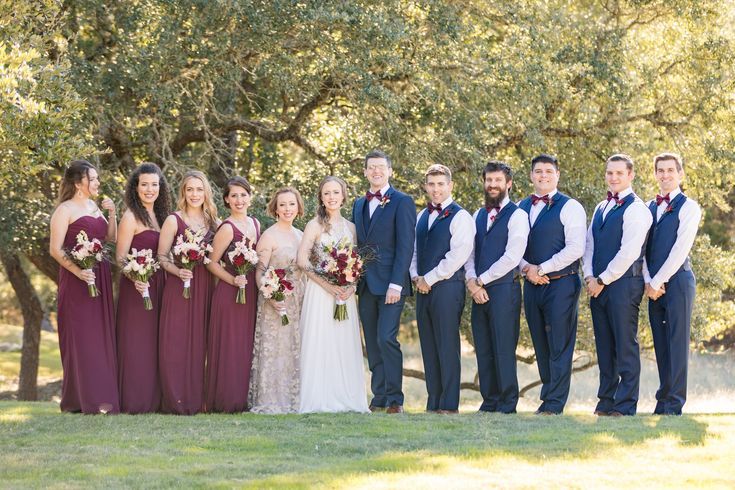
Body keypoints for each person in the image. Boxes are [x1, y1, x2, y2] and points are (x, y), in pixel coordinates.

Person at [583, 154, 653, 416]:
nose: (613, 177)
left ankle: (625, 404)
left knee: (625, 345)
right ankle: (606, 400)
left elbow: (629, 251)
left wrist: (602, 279)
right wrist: (589, 276)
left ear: (630, 175)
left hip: (623, 284)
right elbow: (589, 245)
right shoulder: (601, 207)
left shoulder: (636, 209)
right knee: (604, 346)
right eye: (610, 173)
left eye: (619, 173)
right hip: (597, 285)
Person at [49, 159, 119, 414]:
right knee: (82, 340)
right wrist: (79, 272)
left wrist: (112, 214)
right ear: (79, 183)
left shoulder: (95, 207)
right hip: (77, 282)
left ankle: (101, 399)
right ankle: (79, 400)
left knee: (99, 338)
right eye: (93, 178)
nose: (98, 182)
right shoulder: (64, 210)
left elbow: (109, 239)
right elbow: (55, 250)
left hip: (98, 277)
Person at [517, 154, 586, 415]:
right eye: (538, 171)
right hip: (531, 284)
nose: (543, 175)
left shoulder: (570, 207)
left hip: (562, 284)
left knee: (559, 344)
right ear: (531, 175)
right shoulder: (520, 206)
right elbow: (512, 246)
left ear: (557, 175)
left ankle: (554, 403)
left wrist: (542, 268)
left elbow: (575, 248)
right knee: (540, 344)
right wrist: (526, 268)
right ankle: (548, 396)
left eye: (548, 171)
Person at [352, 150, 416, 414]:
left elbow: (405, 246)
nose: (376, 171)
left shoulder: (402, 201)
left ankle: (395, 399)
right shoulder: (358, 203)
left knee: (386, 338)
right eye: (371, 167)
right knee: (372, 341)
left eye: (381, 167)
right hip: (366, 284)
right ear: (365, 172)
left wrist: (396, 284)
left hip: (391, 284)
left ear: (390, 171)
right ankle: (378, 395)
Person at [298, 176, 369, 413]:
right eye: (327, 193)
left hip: (344, 296)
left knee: (343, 344)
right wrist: (327, 286)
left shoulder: (351, 228)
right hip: (320, 293)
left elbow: (357, 263)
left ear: (343, 195)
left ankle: (346, 397)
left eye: (336, 192)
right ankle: (319, 397)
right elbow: (301, 261)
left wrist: (351, 286)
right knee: (321, 341)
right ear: (321, 197)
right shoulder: (314, 225)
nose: (331, 197)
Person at [465, 161, 529, 414]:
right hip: (477, 291)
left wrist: (482, 280)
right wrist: (471, 282)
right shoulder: (477, 215)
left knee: (503, 347)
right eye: (489, 181)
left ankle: (507, 402)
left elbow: (513, 256)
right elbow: (469, 255)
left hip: (504, 289)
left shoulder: (518, 215)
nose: (492, 185)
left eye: (498, 181)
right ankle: (489, 400)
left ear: (508, 184)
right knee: (483, 347)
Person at [410, 164, 474, 413]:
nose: (435, 189)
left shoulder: (461, 217)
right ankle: (433, 401)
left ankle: (449, 404)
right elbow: (413, 251)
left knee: (447, 345)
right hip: (423, 287)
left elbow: (458, 255)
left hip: (448, 287)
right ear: (426, 186)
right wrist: (416, 276)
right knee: (428, 344)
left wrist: (431, 278)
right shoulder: (421, 216)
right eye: (431, 184)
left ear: (450, 186)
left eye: (440, 184)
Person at [644, 152, 701, 415]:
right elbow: (641, 250)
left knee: (676, 342)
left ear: (680, 174)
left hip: (677, 282)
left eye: (670, 170)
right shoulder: (647, 207)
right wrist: (648, 280)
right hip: (653, 286)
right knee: (660, 343)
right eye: (660, 170)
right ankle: (663, 399)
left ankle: (674, 404)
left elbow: (680, 249)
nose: (665, 175)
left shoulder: (689, 207)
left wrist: (657, 280)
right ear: (655, 174)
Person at [157, 170, 218, 415]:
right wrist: (177, 271)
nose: (194, 194)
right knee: (175, 341)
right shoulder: (174, 220)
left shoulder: (213, 221)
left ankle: (195, 399)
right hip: (179, 285)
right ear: (183, 192)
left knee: (198, 343)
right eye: (190, 189)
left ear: (206, 193)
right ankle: (174, 400)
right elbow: (161, 256)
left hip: (204, 286)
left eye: (199, 189)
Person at [115, 162, 172, 414]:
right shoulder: (130, 217)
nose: (150, 189)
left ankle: (156, 400)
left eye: (154, 184)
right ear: (135, 188)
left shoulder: (163, 216)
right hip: (137, 287)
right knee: (137, 342)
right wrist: (135, 276)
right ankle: (135, 401)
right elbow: (120, 258)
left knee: (157, 342)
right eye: (145, 184)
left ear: (161, 187)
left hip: (161, 285)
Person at [205, 176, 260, 413]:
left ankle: (242, 398)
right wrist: (232, 279)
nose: (239, 200)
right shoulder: (227, 228)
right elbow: (211, 262)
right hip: (229, 293)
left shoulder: (256, 224)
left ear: (250, 197)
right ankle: (225, 400)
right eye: (234, 195)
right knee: (229, 345)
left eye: (243, 194)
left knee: (244, 345)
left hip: (249, 292)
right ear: (227, 199)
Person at [250, 188, 306, 414]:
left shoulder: (301, 235)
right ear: (275, 208)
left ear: (298, 206)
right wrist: (270, 296)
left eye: (291, 204)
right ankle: (272, 398)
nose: (287, 209)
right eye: (282, 205)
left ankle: (294, 398)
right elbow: (259, 271)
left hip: (297, 301)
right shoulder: (269, 235)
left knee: (294, 347)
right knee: (275, 349)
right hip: (275, 301)